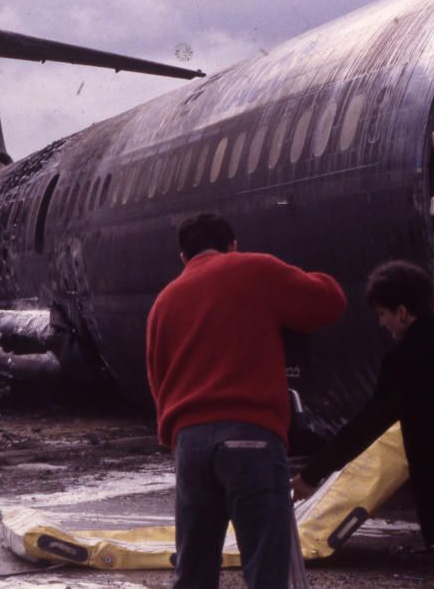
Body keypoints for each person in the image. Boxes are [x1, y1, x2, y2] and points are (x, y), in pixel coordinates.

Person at [147, 213, 346, 588]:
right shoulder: (253, 270)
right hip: (250, 436)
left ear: (182, 256)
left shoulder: (165, 300)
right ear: (233, 245)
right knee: (265, 564)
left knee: (192, 568)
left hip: (189, 444)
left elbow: (157, 377)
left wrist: (179, 435)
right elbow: (329, 302)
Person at [292, 260, 434, 553]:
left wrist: (313, 473)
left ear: (402, 312)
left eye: (382, 314)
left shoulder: (404, 357)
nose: (381, 322)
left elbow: (370, 423)